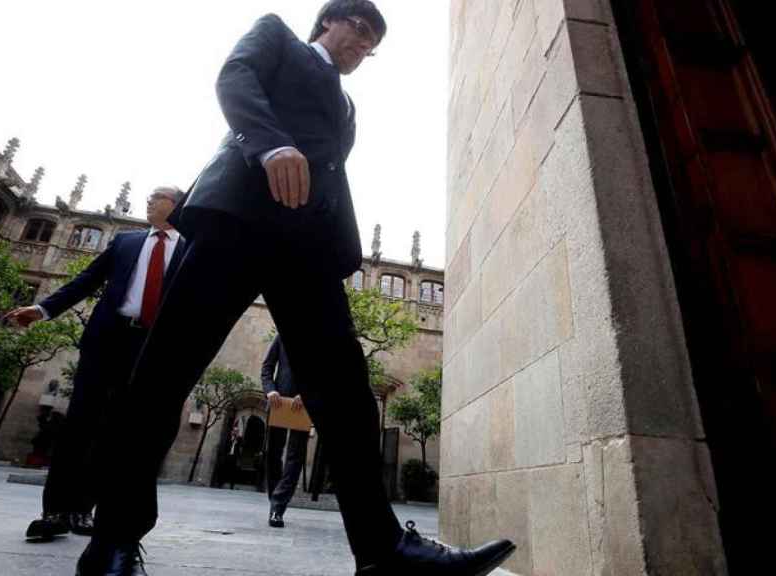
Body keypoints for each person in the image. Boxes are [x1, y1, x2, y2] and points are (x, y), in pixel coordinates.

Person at [75, 3, 514, 575]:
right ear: (327, 21)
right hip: (237, 221)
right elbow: (234, 77)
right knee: (163, 375)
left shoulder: (348, 105)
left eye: (372, 41)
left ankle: (384, 552)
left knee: (348, 392)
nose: (362, 44)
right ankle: (112, 538)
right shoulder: (277, 35)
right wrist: (270, 144)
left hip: (305, 245)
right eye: (359, 28)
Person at [2, 188, 186, 543]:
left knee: (117, 432)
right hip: (108, 340)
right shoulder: (126, 242)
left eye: (157, 197)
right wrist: (41, 309)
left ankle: (84, 510)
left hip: (150, 349)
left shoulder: (192, 247)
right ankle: (53, 511)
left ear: (176, 206)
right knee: (79, 425)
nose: (149, 201)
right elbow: (86, 281)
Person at [260, 334, 309, 528]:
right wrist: (270, 390)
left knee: (294, 458)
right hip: (278, 403)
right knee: (272, 454)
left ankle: (278, 508)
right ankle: (275, 500)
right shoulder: (282, 336)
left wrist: (308, 393)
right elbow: (267, 367)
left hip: (303, 406)